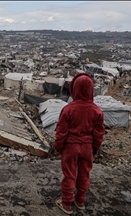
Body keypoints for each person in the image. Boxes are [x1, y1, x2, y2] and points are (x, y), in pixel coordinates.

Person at [53, 73, 105, 214]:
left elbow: (61, 132)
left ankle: (67, 203)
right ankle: (80, 200)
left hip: (70, 147)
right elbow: (99, 134)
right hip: (87, 147)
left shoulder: (68, 109)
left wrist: (57, 147)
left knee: (69, 175)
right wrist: (95, 148)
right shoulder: (97, 111)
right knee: (84, 174)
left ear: (74, 89)